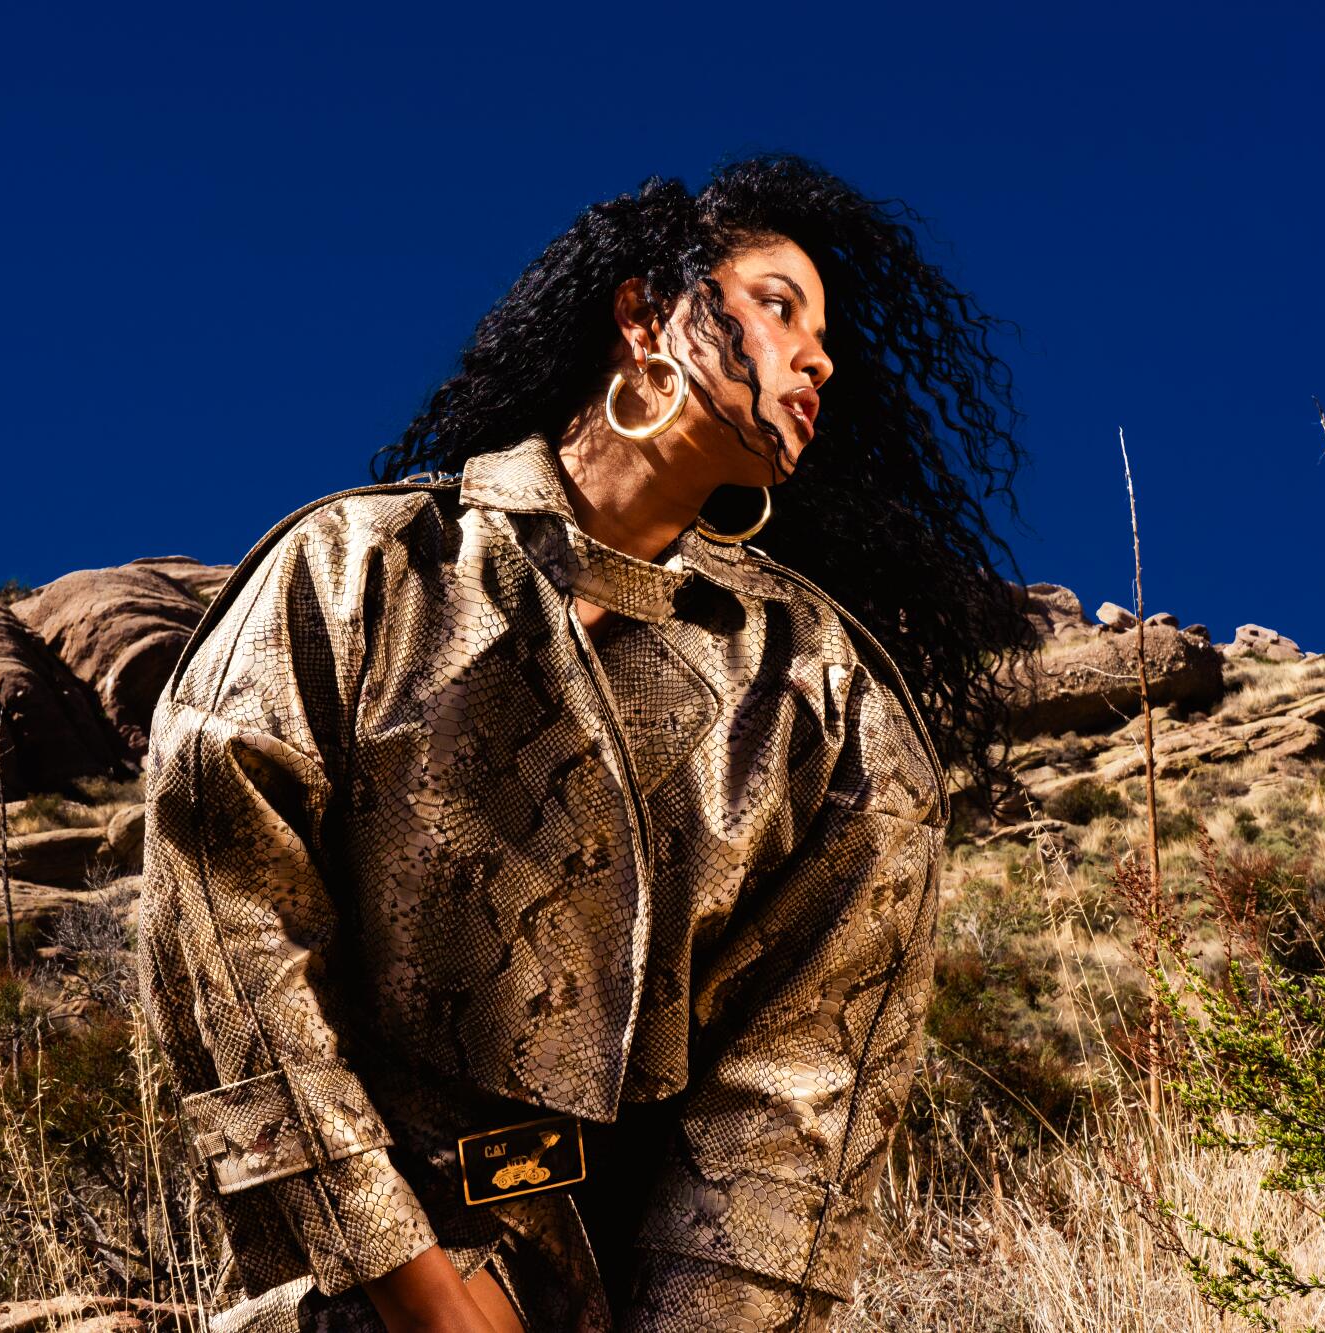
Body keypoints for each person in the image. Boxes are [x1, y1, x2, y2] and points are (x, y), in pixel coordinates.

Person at [138, 152, 1031, 1333]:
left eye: (824, 335)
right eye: (776, 306)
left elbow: (799, 1095)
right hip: (359, 1284)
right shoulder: (359, 573)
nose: (819, 357)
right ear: (642, 316)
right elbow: (226, 918)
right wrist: (416, 1287)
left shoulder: (823, 699)